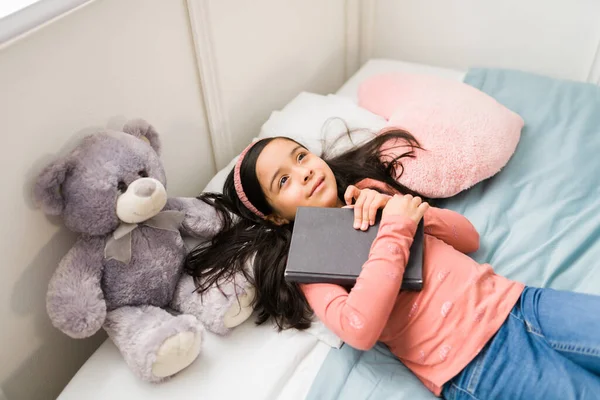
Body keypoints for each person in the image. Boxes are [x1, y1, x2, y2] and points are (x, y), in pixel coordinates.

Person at [185, 131, 600, 399]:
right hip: (473, 359)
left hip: (519, 303)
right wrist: (396, 232)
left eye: (300, 156)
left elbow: (469, 238)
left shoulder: (370, 192)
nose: (305, 172)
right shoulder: (310, 262)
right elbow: (360, 328)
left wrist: (404, 212)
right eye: (283, 181)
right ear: (274, 216)